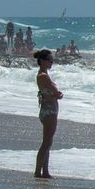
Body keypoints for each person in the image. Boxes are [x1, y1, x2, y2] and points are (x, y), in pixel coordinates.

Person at [34, 48, 63, 178]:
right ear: (43, 61)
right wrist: (58, 95)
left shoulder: (43, 74)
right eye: (50, 61)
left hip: (48, 109)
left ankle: (44, 171)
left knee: (48, 142)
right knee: (46, 142)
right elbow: (54, 93)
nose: (52, 63)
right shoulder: (43, 76)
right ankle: (38, 171)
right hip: (49, 110)